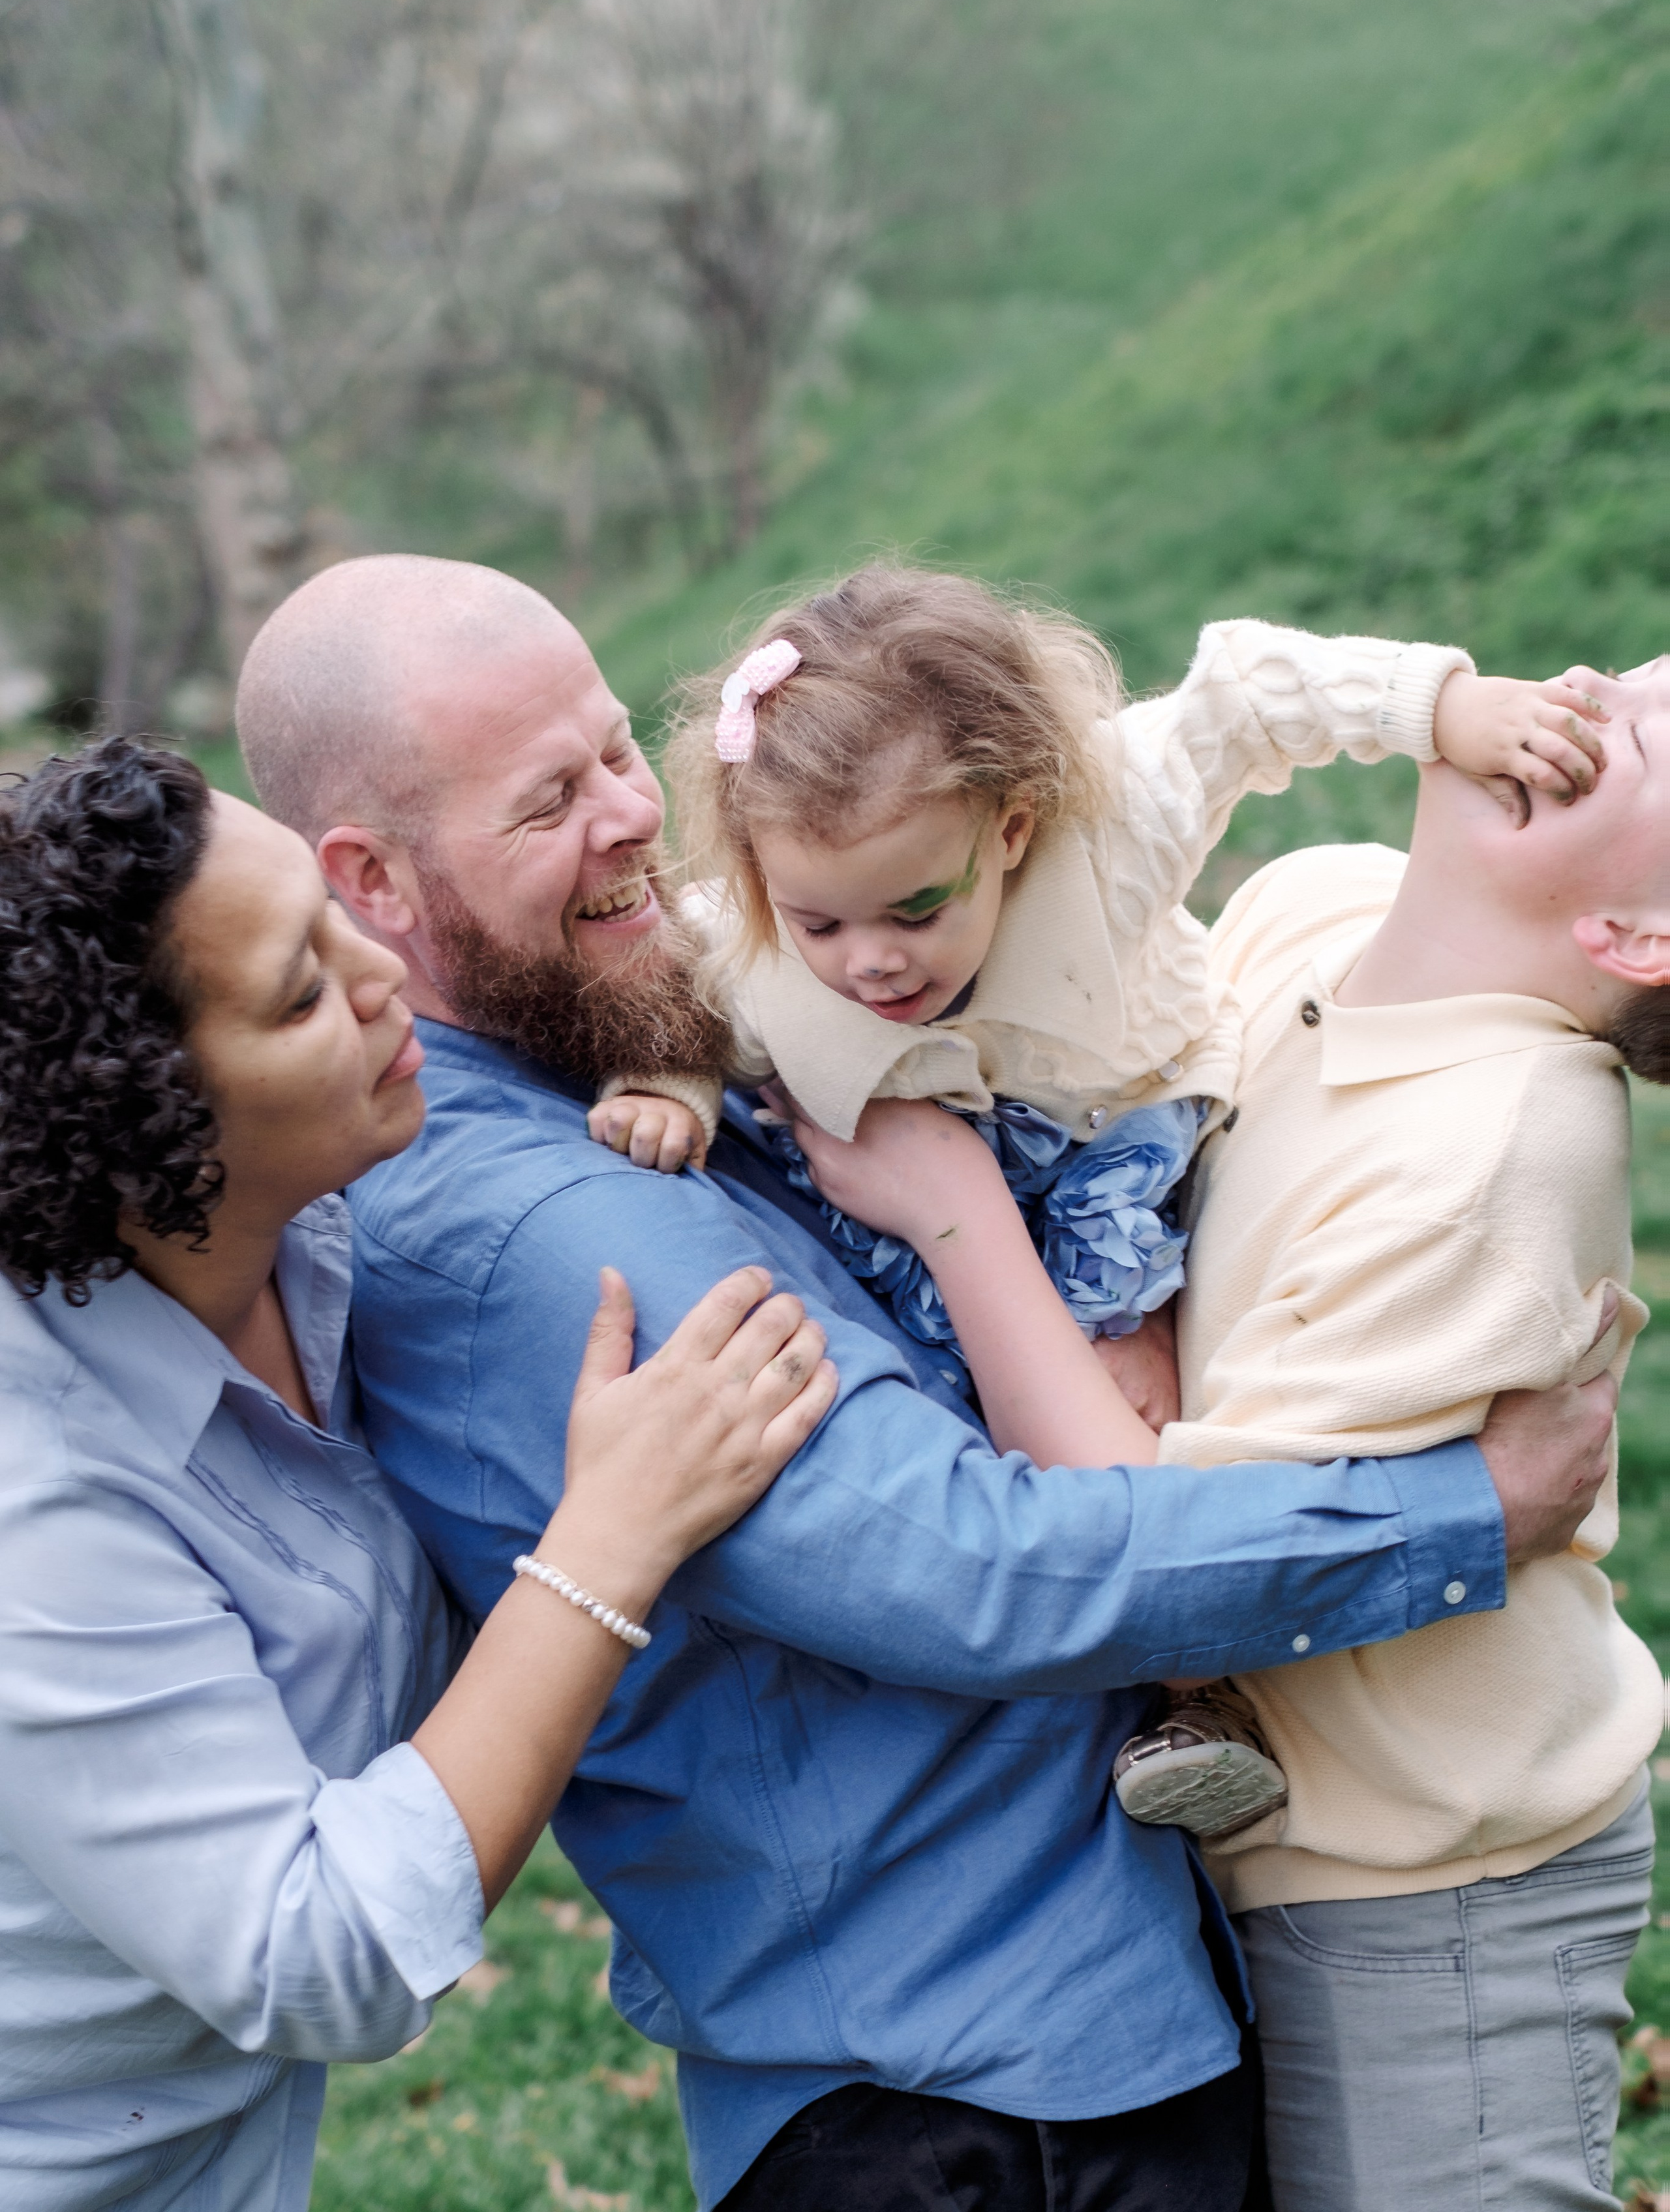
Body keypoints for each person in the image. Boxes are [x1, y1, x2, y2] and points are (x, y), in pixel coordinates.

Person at [235, 552, 1617, 2212]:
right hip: (972, 2110)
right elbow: (963, 1564)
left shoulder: (603, 1078)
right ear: (373, 881)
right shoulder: (547, 1233)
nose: (634, 817)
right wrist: (1456, 1509)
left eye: (618, 749)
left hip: (1053, 2050)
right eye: (546, 805)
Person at [784, 658, 1670, 2212]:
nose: (1604, 694)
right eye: (1638, 678)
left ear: (1638, 934)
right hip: (1268, 1846)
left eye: (1660, 737)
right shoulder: (1314, 905)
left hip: (1434, 1889)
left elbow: (1160, 1555)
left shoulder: (1496, 1146)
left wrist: (950, 1212)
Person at [0, 739, 834, 2212]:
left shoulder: (305, 1238)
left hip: (122, 2157)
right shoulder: (34, 1488)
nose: (389, 981)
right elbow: (310, 1946)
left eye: (331, 909)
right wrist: (610, 1539)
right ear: (144, 1134)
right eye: (306, 989)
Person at [592, 562, 1611, 1832]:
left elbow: (1243, 697)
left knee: (1134, 1396)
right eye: (823, 924)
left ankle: (1197, 1696)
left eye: (917, 906)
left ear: (1010, 826)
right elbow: (672, 987)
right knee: (978, 1427)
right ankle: (1099, 1696)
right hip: (905, 1181)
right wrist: (667, 1089)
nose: (872, 960)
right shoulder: (749, 934)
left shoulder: (1109, 835)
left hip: (1107, 1137)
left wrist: (1438, 708)